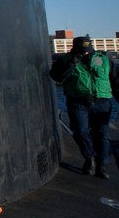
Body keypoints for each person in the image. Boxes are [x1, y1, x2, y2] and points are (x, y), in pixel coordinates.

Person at [50, 35, 119, 179]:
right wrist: (71, 63)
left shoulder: (103, 60)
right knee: (80, 130)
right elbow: (57, 77)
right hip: (78, 101)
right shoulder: (66, 60)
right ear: (75, 49)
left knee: (102, 134)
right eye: (83, 51)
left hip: (101, 102)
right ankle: (89, 157)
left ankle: (102, 164)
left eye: (88, 50)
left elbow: (116, 80)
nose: (86, 53)